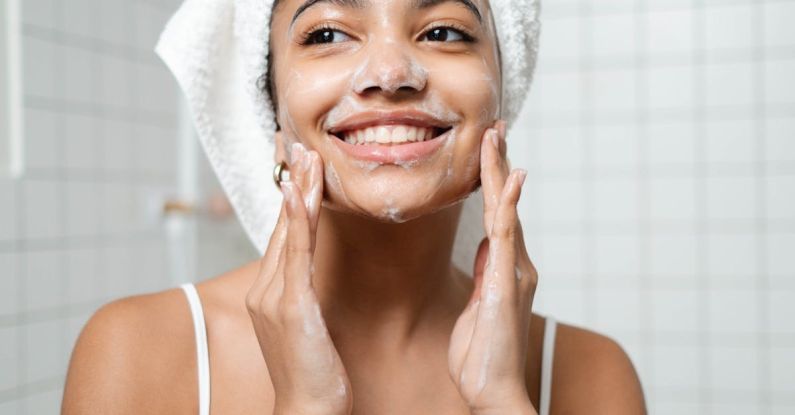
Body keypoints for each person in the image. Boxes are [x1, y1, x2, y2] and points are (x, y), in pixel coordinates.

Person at [62, 0, 646, 413]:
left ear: (502, 96)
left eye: (443, 31)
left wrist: (502, 402)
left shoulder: (591, 375)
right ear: (273, 118)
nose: (391, 73)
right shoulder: (138, 354)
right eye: (326, 33)